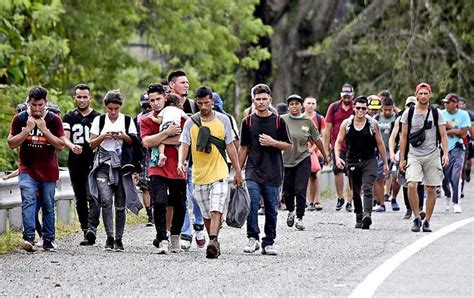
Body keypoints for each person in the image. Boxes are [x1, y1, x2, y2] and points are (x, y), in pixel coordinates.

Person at [177, 86, 242, 259]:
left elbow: (230, 145)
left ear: (212, 101)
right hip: (199, 174)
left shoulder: (224, 120)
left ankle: (212, 241)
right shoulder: (191, 122)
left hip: (220, 172)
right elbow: (184, 143)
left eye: (207, 102)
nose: (204, 106)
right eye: (200, 103)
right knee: (206, 214)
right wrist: (181, 161)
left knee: (216, 209)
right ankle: (214, 240)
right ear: (197, 102)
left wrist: (237, 171)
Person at [8, 86, 65, 252]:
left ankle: (48, 239)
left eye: (40, 105)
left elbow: (61, 145)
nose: (37, 108)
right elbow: (11, 143)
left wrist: (44, 130)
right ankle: (29, 238)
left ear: (46, 103)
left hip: (48, 171)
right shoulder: (19, 119)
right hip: (27, 169)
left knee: (48, 205)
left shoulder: (54, 120)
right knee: (28, 201)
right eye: (34, 105)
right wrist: (27, 129)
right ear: (28, 103)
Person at [239, 84, 292, 256]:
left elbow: (289, 146)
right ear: (253, 101)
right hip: (253, 171)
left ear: (270, 100)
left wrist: (273, 142)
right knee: (252, 204)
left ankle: (268, 242)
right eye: (258, 99)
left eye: (264, 99)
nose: (261, 102)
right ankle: (252, 237)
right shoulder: (247, 122)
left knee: (271, 209)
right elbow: (243, 148)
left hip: (273, 171)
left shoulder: (278, 121)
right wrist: (238, 171)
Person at [88, 90, 141, 251]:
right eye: (110, 109)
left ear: (120, 107)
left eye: (116, 109)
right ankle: (109, 236)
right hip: (103, 165)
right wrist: (103, 137)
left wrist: (122, 136)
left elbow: (134, 141)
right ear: (105, 107)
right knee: (105, 201)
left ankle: (119, 238)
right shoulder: (99, 120)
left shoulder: (126, 121)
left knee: (119, 204)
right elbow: (91, 144)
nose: (112, 112)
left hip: (121, 166)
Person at [141, 83, 186, 254]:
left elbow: (184, 140)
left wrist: (158, 139)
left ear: (165, 98)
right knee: (159, 201)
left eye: (158, 99)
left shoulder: (178, 115)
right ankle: (161, 238)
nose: (155, 103)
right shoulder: (146, 120)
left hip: (178, 166)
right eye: (152, 100)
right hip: (157, 166)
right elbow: (146, 142)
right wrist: (167, 134)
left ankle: (175, 236)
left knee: (179, 203)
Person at [399, 83, 449, 232]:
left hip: (432, 154)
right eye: (420, 93)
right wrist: (402, 158)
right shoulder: (408, 113)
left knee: (431, 188)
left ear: (430, 95)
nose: (423, 96)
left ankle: (427, 220)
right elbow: (404, 137)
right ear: (416, 94)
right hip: (414, 155)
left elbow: (444, 135)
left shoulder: (436, 113)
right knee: (412, 184)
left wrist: (445, 153)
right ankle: (416, 217)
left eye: (425, 93)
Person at [335, 96, 388, 229]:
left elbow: (380, 143)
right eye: (358, 108)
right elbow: (338, 142)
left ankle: (367, 214)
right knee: (355, 191)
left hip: (369, 160)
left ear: (367, 109)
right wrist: (337, 157)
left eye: (363, 108)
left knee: (367, 187)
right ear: (354, 108)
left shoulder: (372, 124)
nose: (360, 110)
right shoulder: (346, 124)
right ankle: (359, 214)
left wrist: (385, 162)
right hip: (352, 160)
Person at [167, 71, 205, 249]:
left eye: (187, 82)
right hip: (175, 161)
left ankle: (199, 224)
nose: (187, 85)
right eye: (183, 82)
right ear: (172, 85)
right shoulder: (166, 105)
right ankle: (186, 233)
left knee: (197, 196)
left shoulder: (193, 105)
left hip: (195, 159)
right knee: (182, 199)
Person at [62, 84, 101, 245]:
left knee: (93, 196)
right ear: (75, 98)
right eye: (79, 97)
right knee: (80, 198)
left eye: (85, 97)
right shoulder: (69, 117)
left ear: (90, 98)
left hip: (93, 162)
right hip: (75, 162)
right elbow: (65, 137)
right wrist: (71, 146)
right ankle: (85, 229)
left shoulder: (98, 117)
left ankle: (93, 227)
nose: (82, 100)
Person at [282, 94, 327, 230]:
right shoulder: (282, 120)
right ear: (288, 106)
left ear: (301, 105)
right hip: (286, 160)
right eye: (291, 104)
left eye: (297, 103)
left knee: (300, 190)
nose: (294, 106)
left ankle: (300, 218)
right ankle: (291, 211)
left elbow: (317, 139)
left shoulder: (307, 121)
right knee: (287, 192)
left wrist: (324, 154)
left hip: (303, 158)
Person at [389, 96, 425, 220]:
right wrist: (393, 153)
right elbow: (393, 137)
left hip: (419, 152)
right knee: (406, 182)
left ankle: (420, 208)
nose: (411, 108)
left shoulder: (422, 118)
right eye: (408, 105)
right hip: (404, 153)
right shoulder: (400, 119)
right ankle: (409, 208)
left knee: (419, 182)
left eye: (413, 105)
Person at [324, 83, 354, 212]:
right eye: (345, 96)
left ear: (352, 95)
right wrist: (326, 149)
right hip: (338, 145)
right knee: (338, 171)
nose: (346, 98)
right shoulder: (334, 107)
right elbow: (327, 128)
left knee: (351, 173)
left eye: (349, 96)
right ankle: (340, 197)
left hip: (353, 145)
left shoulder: (356, 107)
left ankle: (350, 200)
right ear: (341, 96)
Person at [441, 93, 470, 213]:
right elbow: (439, 130)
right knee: (444, 178)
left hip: (458, 148)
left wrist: (448, 129)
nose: (445, 104)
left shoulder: (463, 114)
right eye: (445, 102)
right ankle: (448, 195)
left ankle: (456, 202)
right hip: (444, 149)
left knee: (456, 177)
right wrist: (453, 130)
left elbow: (463, 133)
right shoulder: (441, 113)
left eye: (448, 102)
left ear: (455, 103)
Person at [373, 97, 400, 212]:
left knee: (396, 177)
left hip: (394, 150)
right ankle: (381, 203)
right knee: (379, 178)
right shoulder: (376, 119)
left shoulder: (398, 118)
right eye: (385, 110)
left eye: (390, 110)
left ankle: (393, 198)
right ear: (381, 109)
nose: (388, 112)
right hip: (380, 151)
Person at [149, 94, 189, 167]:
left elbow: (158, 121)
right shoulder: (179, 110)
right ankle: (182, 160)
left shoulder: (165, 109)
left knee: (161, 141)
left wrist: (151, 117)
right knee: (179, 145)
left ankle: (162, 155)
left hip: (166, 126)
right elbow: (188, 119)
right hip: (176, 127)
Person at [134, 93, 154, 226]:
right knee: (145, 187)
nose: (147, 108)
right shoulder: (137, 119)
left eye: (149, 105)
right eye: (144, 106)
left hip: (156, 155)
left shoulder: (159, 116)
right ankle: (150, 215)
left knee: (157, 187)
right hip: (143, 156)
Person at [304, 96, 326, 211]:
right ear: (304, 105)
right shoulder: (301, 118)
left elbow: (322, 136)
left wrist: (318, 150)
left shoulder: (319, 118)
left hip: (316, 152)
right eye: (308, 103)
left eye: (313, 103)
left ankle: (317, 200)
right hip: (303, 151)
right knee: (307, 176)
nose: (311, 105)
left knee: (317, 175)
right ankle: (309, 201)